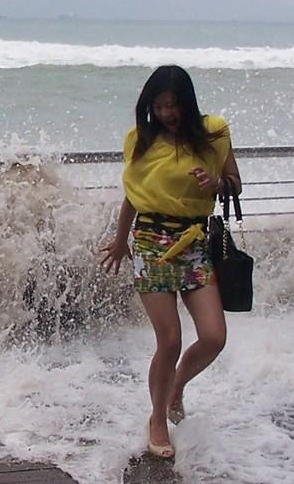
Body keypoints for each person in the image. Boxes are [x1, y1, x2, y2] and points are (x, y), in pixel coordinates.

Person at [99, 65, 241, 460]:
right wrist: (119, 240)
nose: (166, 113)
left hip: (194, 241)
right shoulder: (139, 139)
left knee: (214, 337)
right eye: (159, 106)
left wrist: (216, 184)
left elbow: (235, 182)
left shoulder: (213, 133)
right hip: (150, 241)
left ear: (187, 103)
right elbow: (134, 194)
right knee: (171, 339)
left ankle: (176, 387)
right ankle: (157, 419)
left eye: (173, 105)